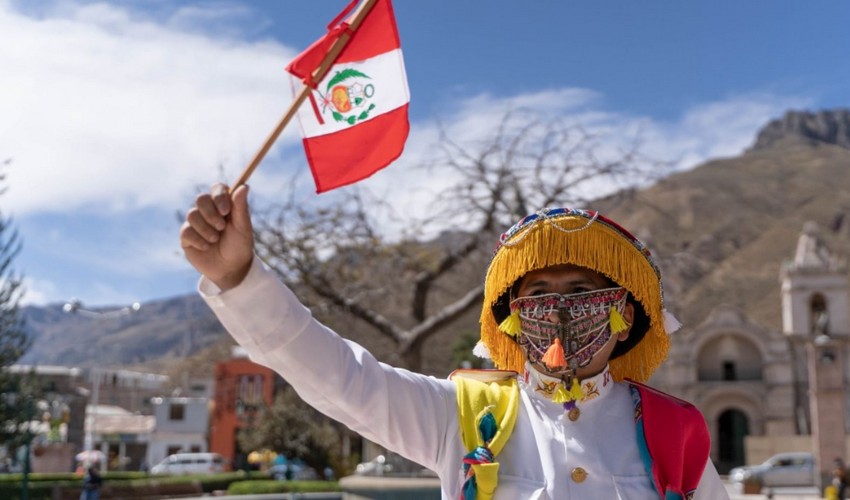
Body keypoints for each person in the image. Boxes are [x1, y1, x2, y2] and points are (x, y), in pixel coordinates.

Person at [180, 184, 731, 499]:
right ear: (511, 316)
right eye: (537, 291)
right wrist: (241, 280)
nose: (558, 308)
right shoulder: (464, 414)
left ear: (622, 313)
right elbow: (342, 379)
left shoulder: (673, 429)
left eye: (582, 289)